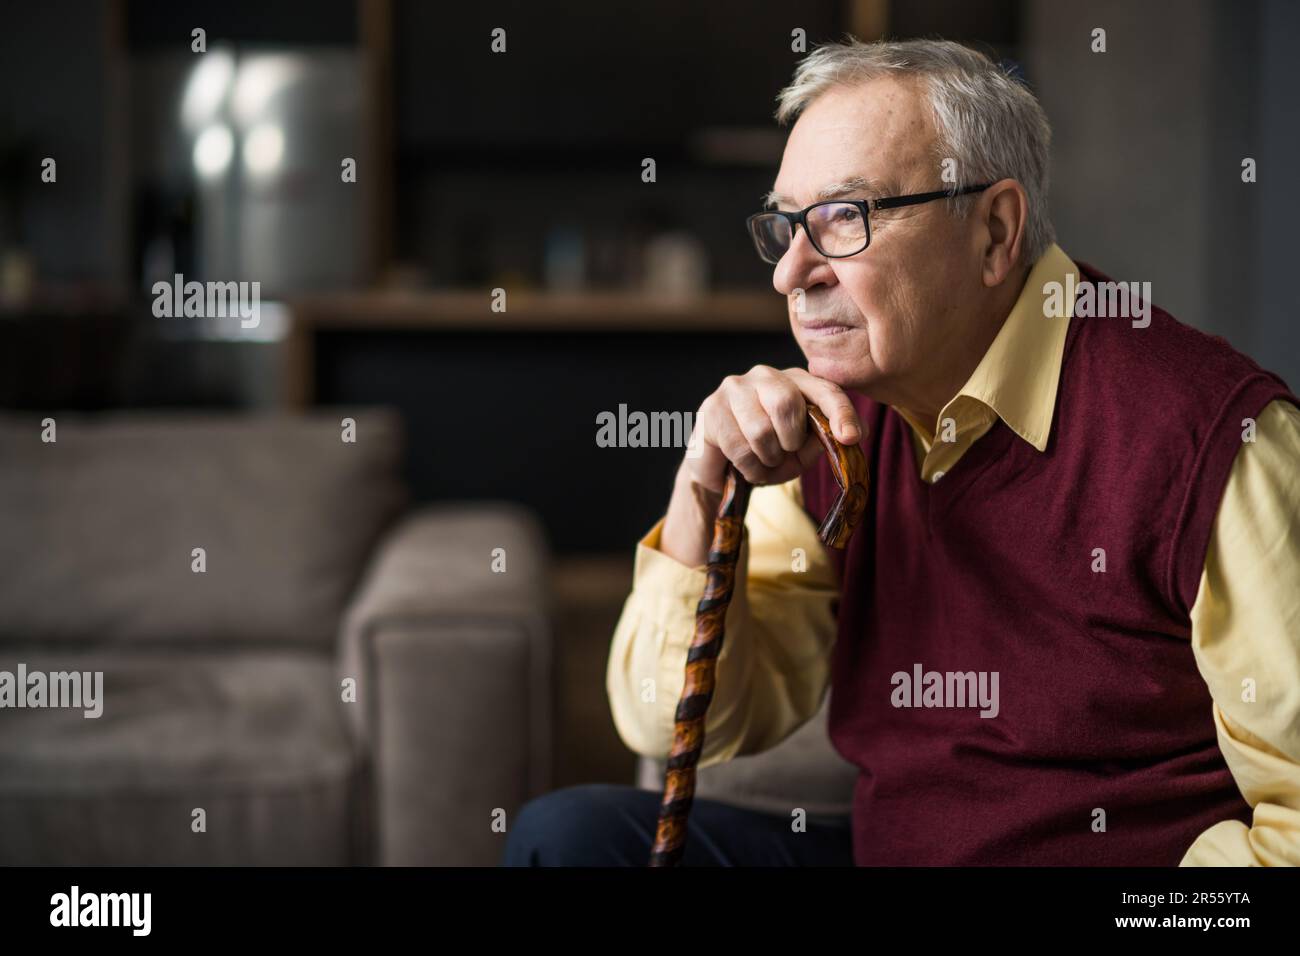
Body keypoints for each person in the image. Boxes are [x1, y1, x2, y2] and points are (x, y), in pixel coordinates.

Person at [504, 37, 1300, 867]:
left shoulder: (1219, 441)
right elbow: (679, 721)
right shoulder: (833, 421)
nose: (791, 274)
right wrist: (701, 488)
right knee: (571, 840)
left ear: (995, 231)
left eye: (846, 217)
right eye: (786, 224)